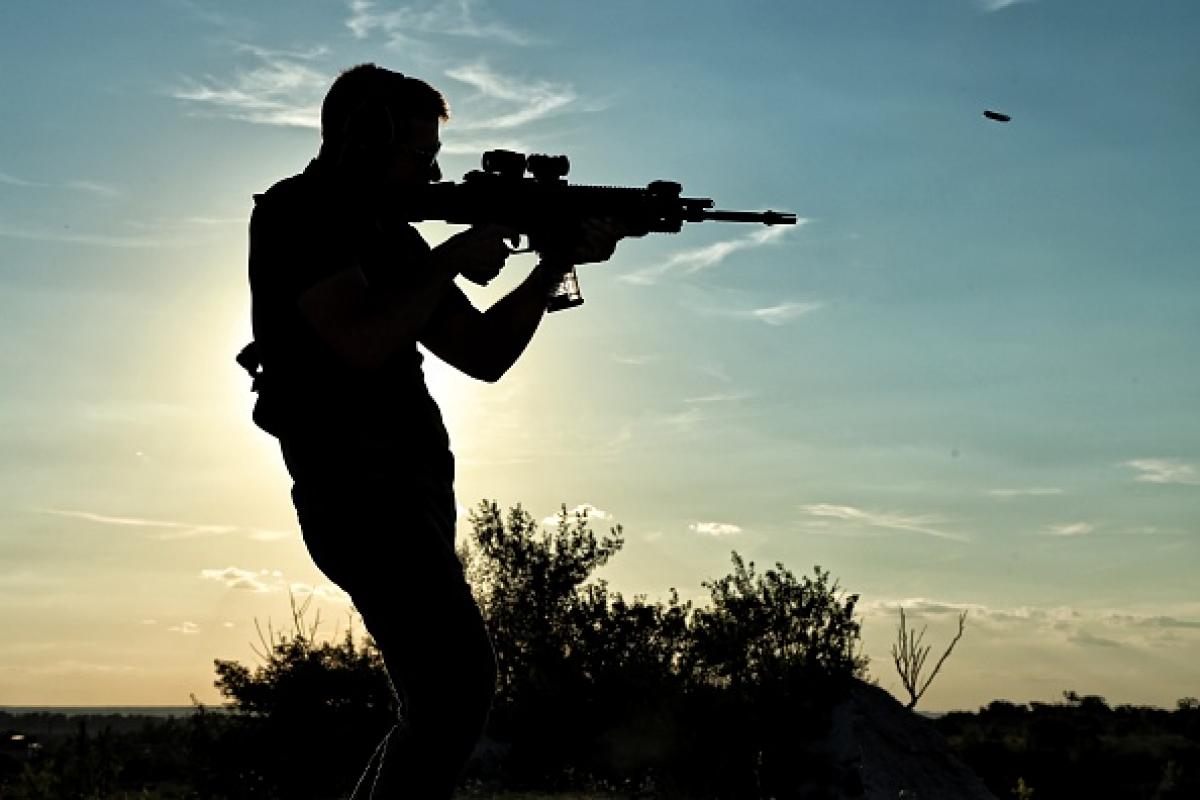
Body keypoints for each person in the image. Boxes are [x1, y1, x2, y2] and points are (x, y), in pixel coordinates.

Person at [241, 63, 625, 798]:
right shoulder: (300, 214)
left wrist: (552, 267)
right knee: (455, 689)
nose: (435, 170)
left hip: (407, 487)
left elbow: (482, 355)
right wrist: (452, 253)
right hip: (356, 486)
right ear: (361, 141)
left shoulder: (390, 236)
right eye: (419, 153)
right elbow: (358, 340)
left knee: (445, 695)